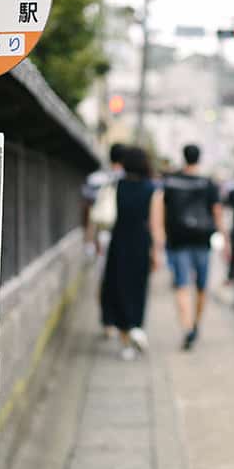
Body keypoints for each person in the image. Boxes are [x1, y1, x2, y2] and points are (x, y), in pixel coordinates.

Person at [99, 147, 164, 361]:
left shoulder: (118, 185)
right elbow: (156, 226)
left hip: (119, 241)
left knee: (118, 287)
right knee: (138, 288)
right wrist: (157, 252)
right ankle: (136, 327)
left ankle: (126, 342)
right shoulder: (153, 190)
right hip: (140, 243)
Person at [162, 143, 223, 350]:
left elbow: (162, 209)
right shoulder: (208, 183)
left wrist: (161, 235)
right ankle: (196, 323)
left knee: (181, 285)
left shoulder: (171, 181)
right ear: (199, 158)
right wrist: (224, 237)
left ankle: (187, 327)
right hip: (202, 240)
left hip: (178, 240)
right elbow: (217, 211)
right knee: (201, 287)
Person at [83, 144, 126, 336]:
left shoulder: (95, 179)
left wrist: (88, 239)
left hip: (101, 234)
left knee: (102, 278)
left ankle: (106, 321)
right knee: (121, 279)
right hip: (123, 236)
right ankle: (118, 319)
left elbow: (88, 210)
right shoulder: (130, 180)